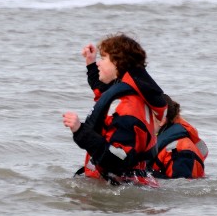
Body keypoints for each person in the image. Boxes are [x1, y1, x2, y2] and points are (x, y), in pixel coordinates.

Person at [62, 34, 167, 185]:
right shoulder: (130, 93)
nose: (99, 63)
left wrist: (80, 131)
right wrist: (90, 64)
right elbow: (104, 93)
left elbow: (116, 161)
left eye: (103, 58)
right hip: (128, 184)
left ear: (117, 63)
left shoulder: (128, 109)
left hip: (125, 190)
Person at [152, 95, 208, 179]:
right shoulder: (155, 140)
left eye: (145, 114)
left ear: (161, 120)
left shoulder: (181, 151)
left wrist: (145, 174)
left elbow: (180, 187)